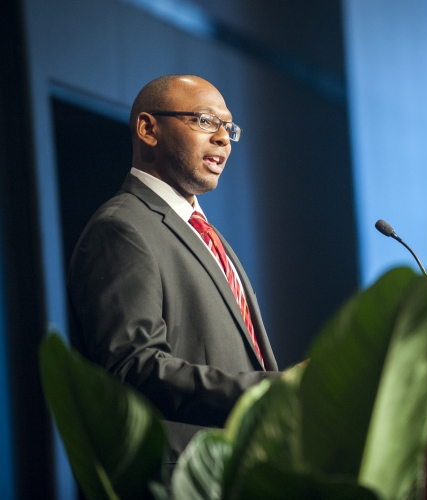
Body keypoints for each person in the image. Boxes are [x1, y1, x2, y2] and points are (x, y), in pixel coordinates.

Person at [67, 75, 278, 466]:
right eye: (204, 121)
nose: (223, 138)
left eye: (229, 127)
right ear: (148, 129)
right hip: (182, 478)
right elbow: (135, 367)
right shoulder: (122, 228)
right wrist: (270, 392)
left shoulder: (203, 232)